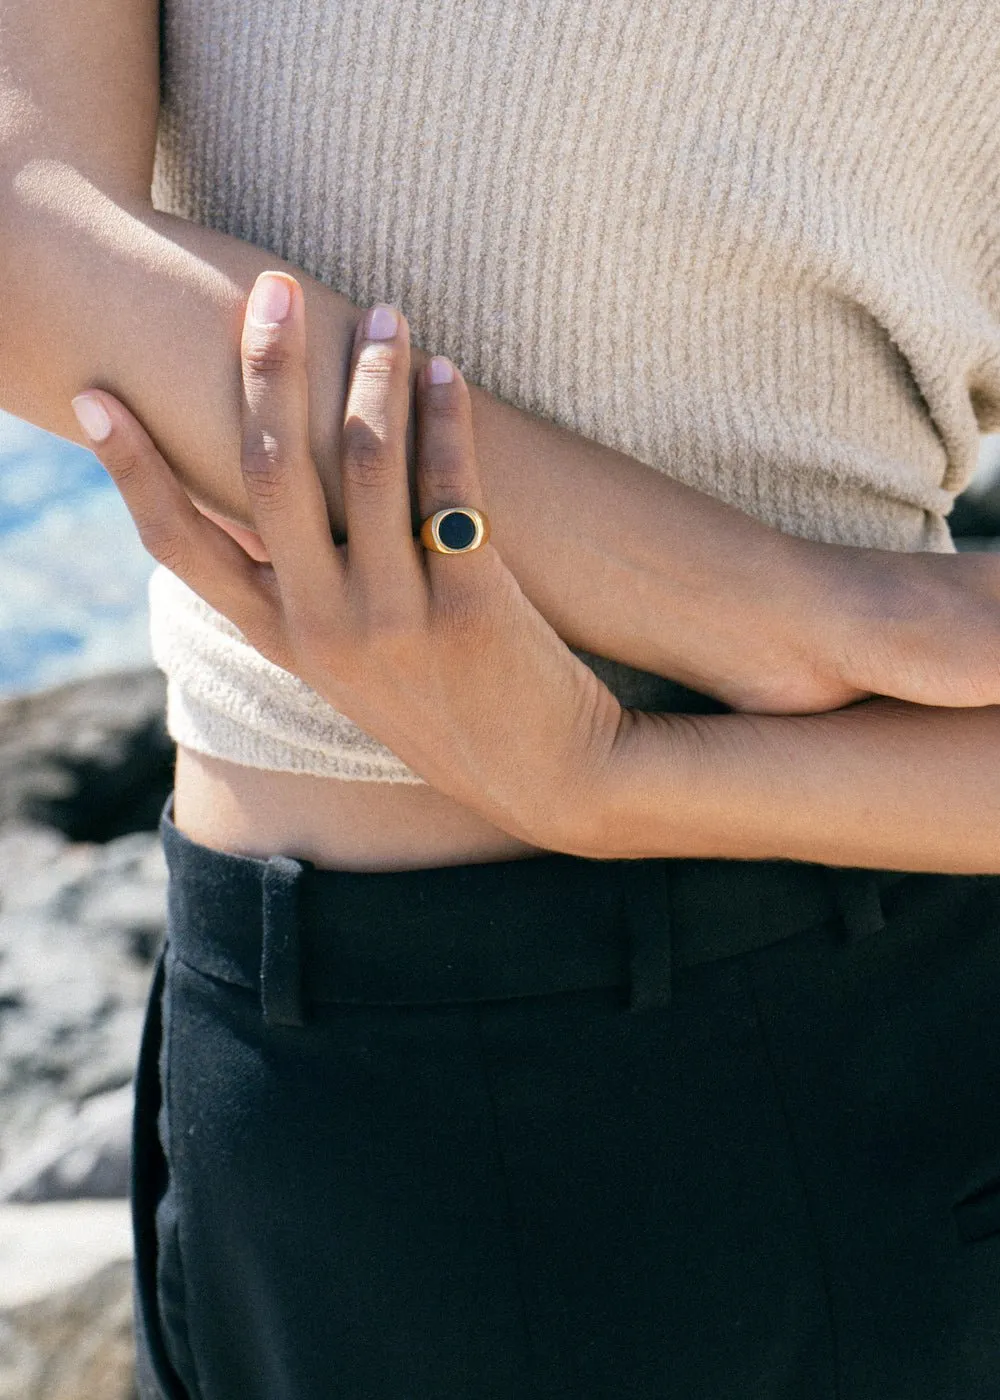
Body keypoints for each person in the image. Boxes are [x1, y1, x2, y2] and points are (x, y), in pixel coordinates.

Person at [3, 2, 1000, 1396]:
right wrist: (793, 604)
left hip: (876, 987)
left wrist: (614, 776)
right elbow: (28, 236)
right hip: (333, 1060)